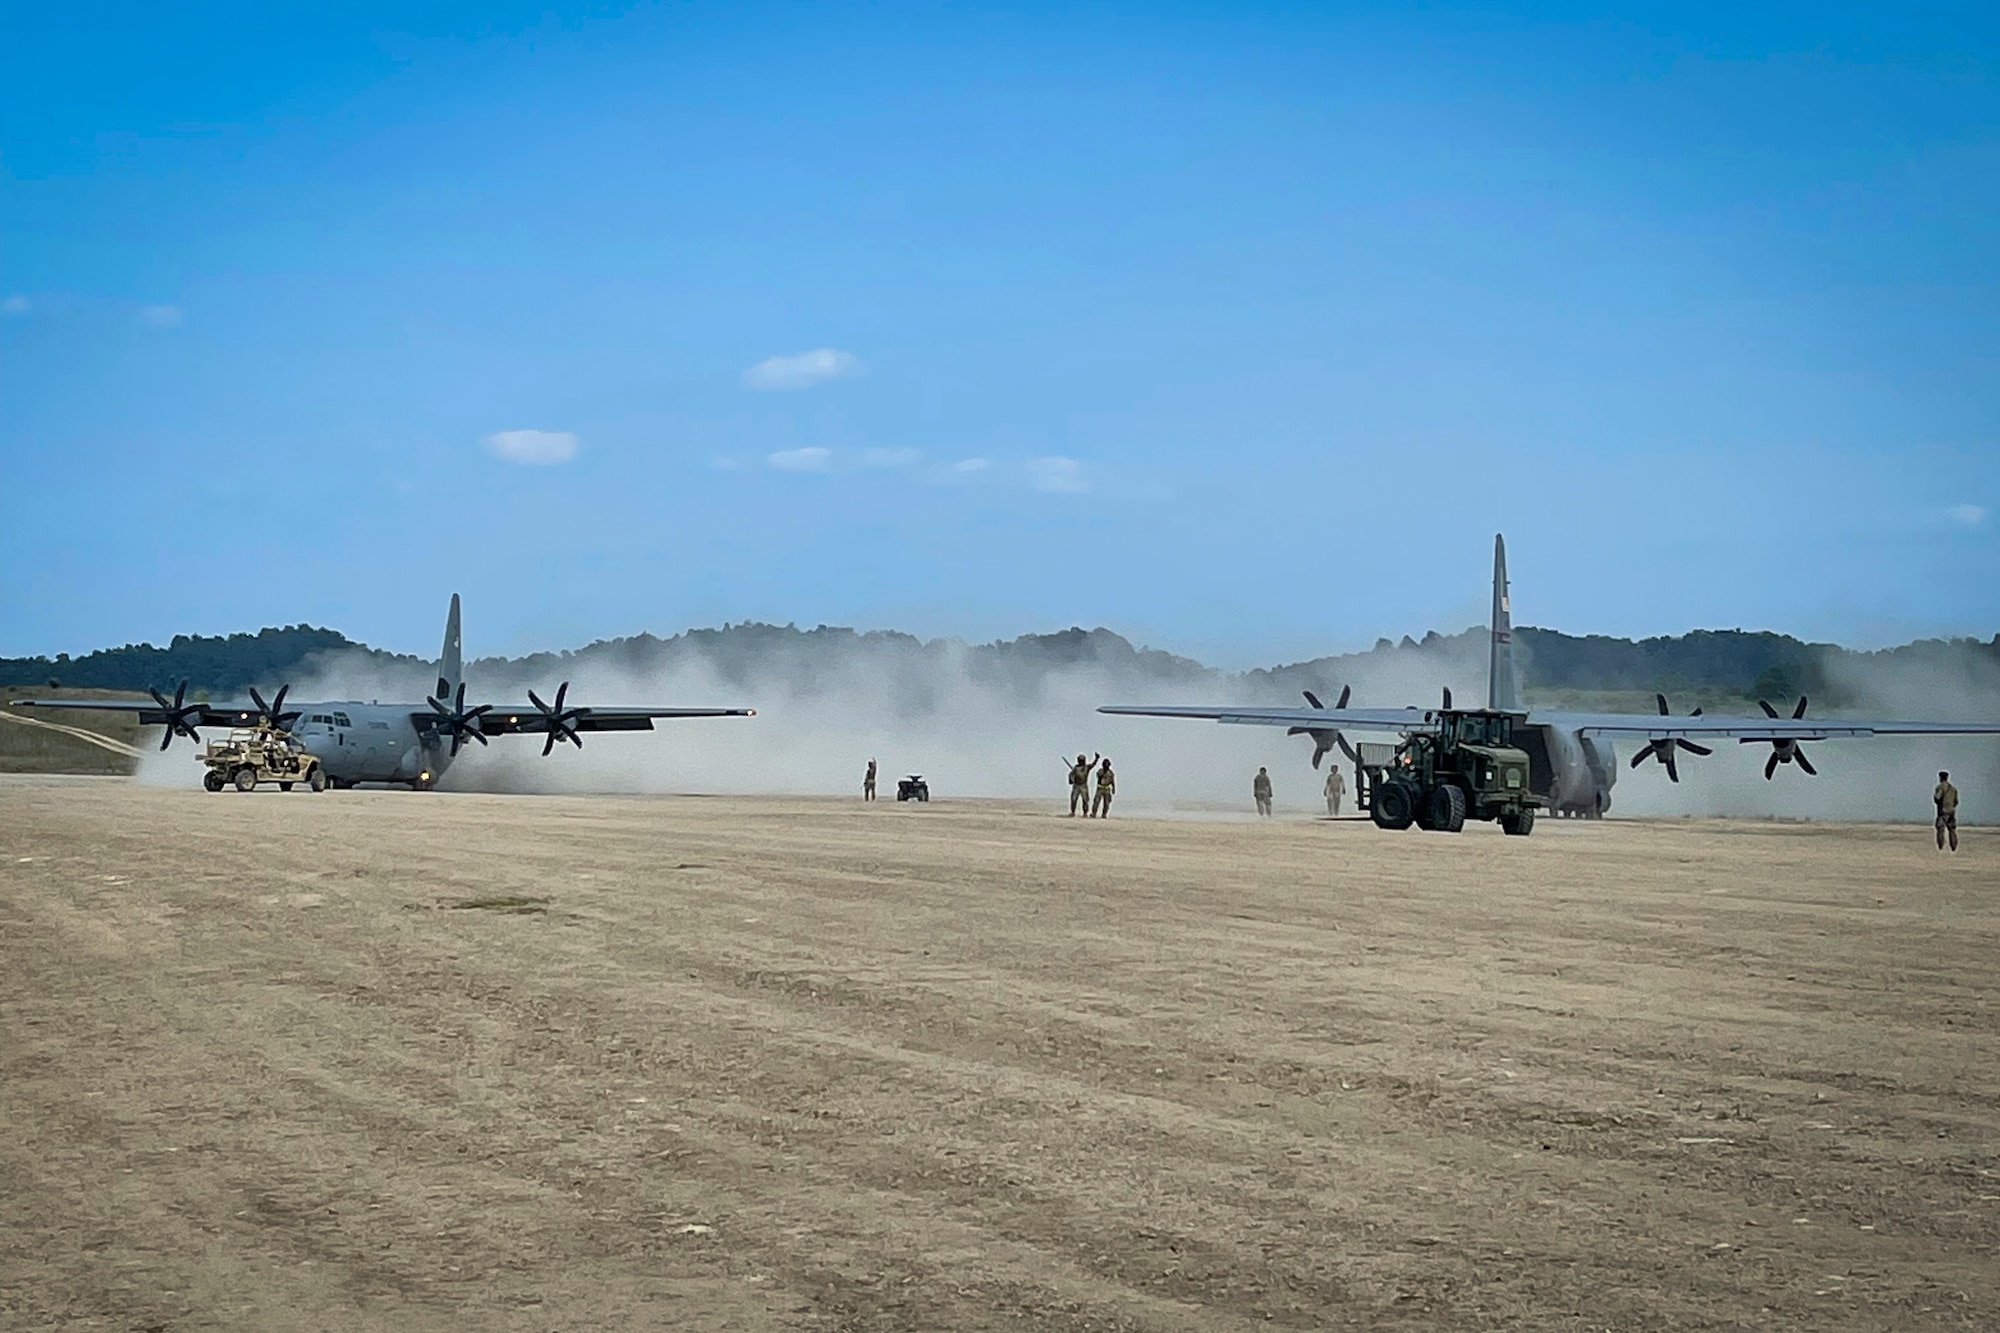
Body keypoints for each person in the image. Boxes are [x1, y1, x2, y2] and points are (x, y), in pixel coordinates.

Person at [1065, 752, 1098, 816]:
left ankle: (1085, 813)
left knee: (1085, 800)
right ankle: (1073, 812)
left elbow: (1093, 764)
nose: (1081, 761)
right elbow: (1071, 775)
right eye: (1080, 760)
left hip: (1084, 786)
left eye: (1082, 760)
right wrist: (1071, 779)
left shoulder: (1087, 767)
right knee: (1074, 799)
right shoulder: (1075, 768)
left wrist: (1096, 759)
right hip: (1076, 786)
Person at [1935, 770, 1959, 852]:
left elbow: (1937, 797)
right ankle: (1954, 847)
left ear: (1940, 778)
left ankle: (1940, 846)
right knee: (1952, 829)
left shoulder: (1940, 787)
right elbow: (1956, 802)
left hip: (1943, 812)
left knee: (1940, 829)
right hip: (1952, 811)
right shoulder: (1953, 789)